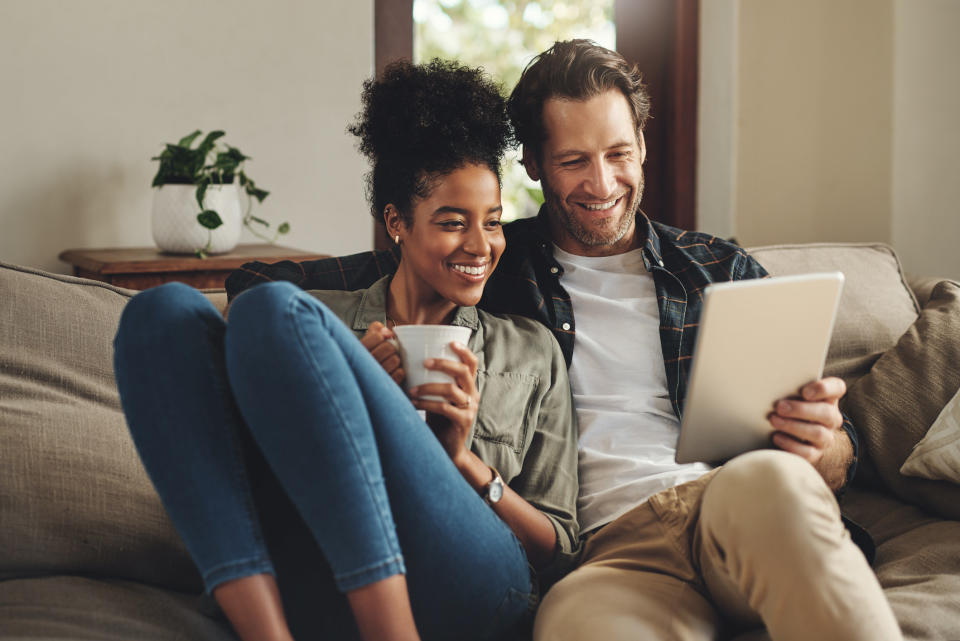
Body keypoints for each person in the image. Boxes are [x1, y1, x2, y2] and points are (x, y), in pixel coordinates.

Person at [224, 42, 902, 640]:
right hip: (603, 559)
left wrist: (827, 444)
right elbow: (264, 287)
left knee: (775, 482)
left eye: (619, 154)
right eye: (574, 160)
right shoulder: (491, 257)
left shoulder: (717, 267)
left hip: (733, 507)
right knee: (573, 625)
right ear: (533, 166)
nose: (602, 184)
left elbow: (835, 458)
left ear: (642, 142)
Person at [113, 59, 579, 641]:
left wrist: (463, 462)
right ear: (396, 223)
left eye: (494, 222)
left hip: (470, 580)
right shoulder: (318, 324)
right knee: (160, 313)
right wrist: (347, 384)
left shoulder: (531, 351)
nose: (481, 245)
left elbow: (560, 548)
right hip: (316, 565)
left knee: (272, 306)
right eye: (454, 222)